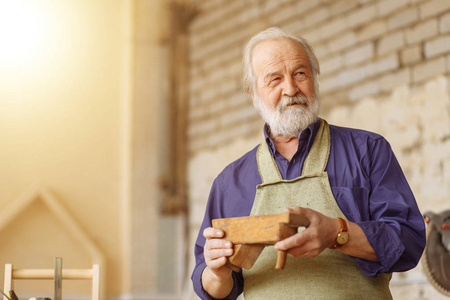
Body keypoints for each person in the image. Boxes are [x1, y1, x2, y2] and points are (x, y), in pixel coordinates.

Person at [191, 27, 426, 300]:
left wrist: (339, 233)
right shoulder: (229, 183)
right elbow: (213, 289)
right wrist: (218, 273)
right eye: (275, 79)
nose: (291, 88)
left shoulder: (368, 151)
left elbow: (409, 242)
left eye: (300, 74)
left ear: (315, 77)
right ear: (253, 93)